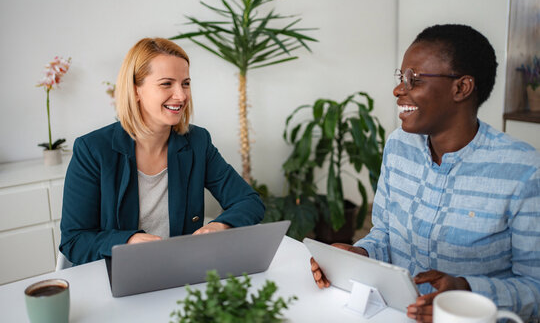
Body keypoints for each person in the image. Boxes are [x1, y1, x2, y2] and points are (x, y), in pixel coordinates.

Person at [310, 24, 540, 322]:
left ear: (461, 88)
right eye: (400, 77)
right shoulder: (398, 145)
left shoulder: (522, 170)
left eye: (413, 79)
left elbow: (535, 288)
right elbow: (384, 233)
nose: (398, 89)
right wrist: (360, 255)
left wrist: (466, 292)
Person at [60, 38, 265, 265]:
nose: (181, 95)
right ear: (136, 90)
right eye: (167, 84)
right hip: (119, 276)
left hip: (181, 272)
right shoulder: (92, 150)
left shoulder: (198, 142)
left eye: (185, 83)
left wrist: (220, 226)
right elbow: (75, 241)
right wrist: (127, 242)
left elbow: (249, 201)